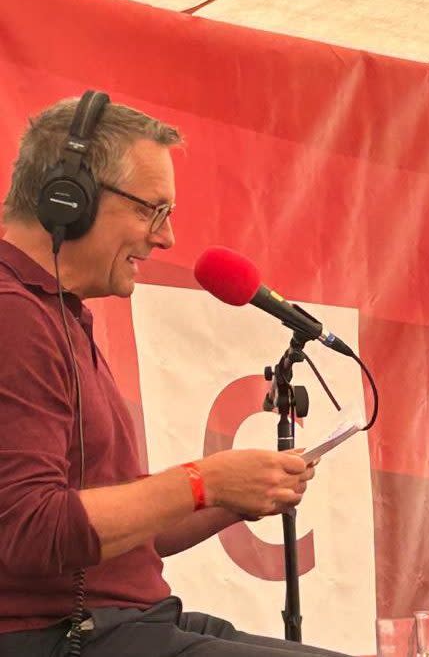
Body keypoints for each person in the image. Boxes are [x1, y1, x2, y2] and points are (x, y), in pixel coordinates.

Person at [0, 92, 347, 657]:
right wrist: (201, 481)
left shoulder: (52, 314)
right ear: (69, 200)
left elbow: (120, 534)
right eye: (150, 210)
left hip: (121, 621)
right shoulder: (12, 316)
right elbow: (28, 529)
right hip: (61, 635)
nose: (164, 238)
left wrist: (231, 497)